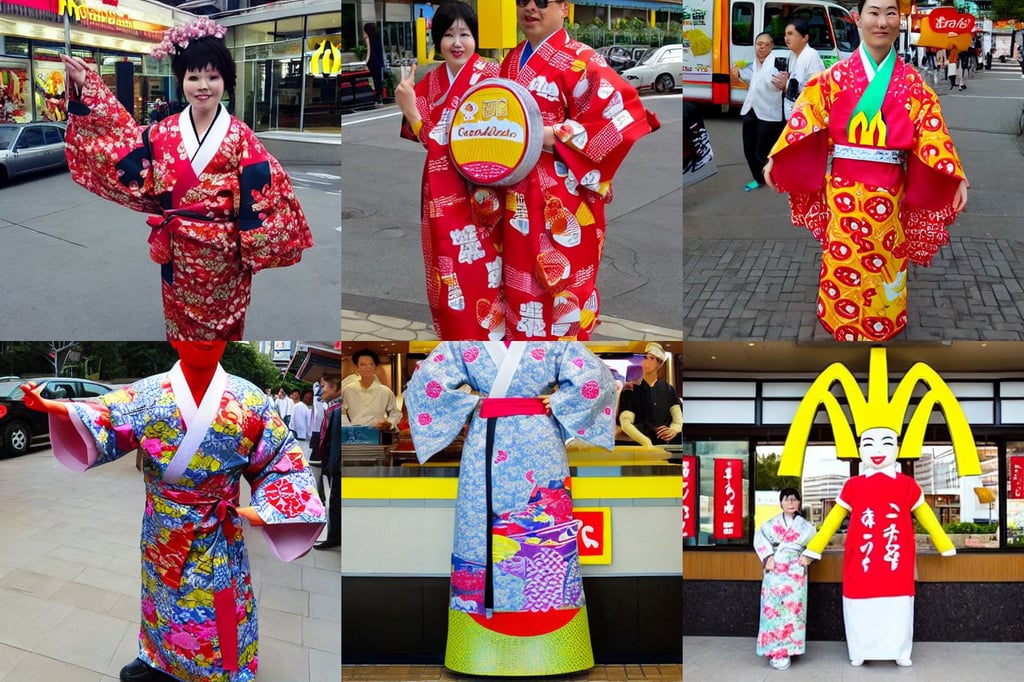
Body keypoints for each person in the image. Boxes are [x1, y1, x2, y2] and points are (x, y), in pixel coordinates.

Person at [20, 341, 326, 682]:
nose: (204, 338)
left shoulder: (248, 399)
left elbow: (278, 458)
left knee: (216, 604)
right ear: (174, 336)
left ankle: (224, 670)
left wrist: (270, 506)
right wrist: (55, 408)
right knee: (160, 597)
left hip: (216, 530)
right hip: (162, 529)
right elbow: (106, 415)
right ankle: (157, 658)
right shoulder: (150, 393)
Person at [60, 17, 313, 340]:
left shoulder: (240, 136)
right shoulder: (163, 132)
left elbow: (268, 193)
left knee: (223, 328)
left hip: (225, 256)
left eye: (213, 76)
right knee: (179, 322)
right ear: (181, 80)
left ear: (227, 80)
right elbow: (119, 144)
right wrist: (87, 87)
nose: (203, 85)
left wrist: (255, 245)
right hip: (178, 253)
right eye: (194, 76)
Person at [404, 341, 617, 676]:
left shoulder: (548, 335)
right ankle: (476, 647)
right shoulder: (472, 338)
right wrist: (471, 402)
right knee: (479, 535)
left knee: (545, 528)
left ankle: (557, 647)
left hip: (533, 442)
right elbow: (425, 383)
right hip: (494, 440)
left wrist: (559, 401)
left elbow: (597, 377)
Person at [764, 0, 969, 342]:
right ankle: (839, 317)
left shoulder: (913, 84)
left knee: (886, 260)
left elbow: (931, 130)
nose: (882, 21)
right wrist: (779, 157)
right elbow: (807, 117)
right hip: (843, 193)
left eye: (891, 13)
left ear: (900, 20)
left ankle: (884, 321)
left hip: (891, 195)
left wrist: (953, 174)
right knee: (844, 259)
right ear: (859, 18)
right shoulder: (833, 79)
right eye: (874, 12)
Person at [498, 0, 659, 340]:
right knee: (517, 284)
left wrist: (547, 136)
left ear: (565, 7)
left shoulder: (583, 59)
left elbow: (622, 114)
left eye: (542, 1)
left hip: (562, 192)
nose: (530, 7)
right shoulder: (511, 60)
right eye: (521, 1)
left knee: (565, 288)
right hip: (512, 192)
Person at [396, 1, 504, 339]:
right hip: (441, 192)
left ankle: (492, 335)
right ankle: (455, 336)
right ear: (437, 41)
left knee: (490, 267)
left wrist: (413, 111)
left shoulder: (494, 74)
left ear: (476, 38)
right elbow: (427, 140)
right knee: (447, 267)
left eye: (465, 34)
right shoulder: (430, 82)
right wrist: (411, 107)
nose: (457, 43)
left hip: (487, 190)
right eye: (448, 35)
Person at [753, 488, 815, 671]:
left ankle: (789, 648)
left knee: (793, 611)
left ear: (798, 503)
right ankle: (773, 649)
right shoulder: (769, 524)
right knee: (772, 610)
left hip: (795, 572)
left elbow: (815, 543)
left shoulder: (806, 527)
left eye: (795, 500)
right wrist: (767, 557)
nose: (791, 503)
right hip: (775, 569)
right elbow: (760, 539)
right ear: (780, 502)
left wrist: (808, 556)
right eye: (787, 500)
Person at [732, 32, 784, 192]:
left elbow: (774, 82)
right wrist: (738, 72)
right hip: (751, 110)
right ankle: (758, 178)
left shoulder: (776, 63)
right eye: (759, 44)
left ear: (771, 46)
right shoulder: (755, 63)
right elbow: (752, 77)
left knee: (763, 151)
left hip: (768, 114)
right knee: (749, 149)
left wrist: (778, 83)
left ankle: (775, 177)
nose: (761, 47)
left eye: (765, 44)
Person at [618, 342, 682, 447]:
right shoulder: (631, 388)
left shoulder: (668, 389)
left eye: (651, 358)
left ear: (659, 363)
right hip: (637, 444)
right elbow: (625, 422)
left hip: (663, 445)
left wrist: (673, 430)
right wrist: (646, 442)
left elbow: (678, 419)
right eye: (645, 358)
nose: (646, 361)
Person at [772, 19, 825, 120]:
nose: (786, 38)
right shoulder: (792, 55)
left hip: (807, 116)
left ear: (805, 37)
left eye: (790, 34)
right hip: (792, 113)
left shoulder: (811, 55)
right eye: (785, 34)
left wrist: (786, 84)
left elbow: (815, 88)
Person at [341, 348, 401, 433]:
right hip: (354, 436)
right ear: (356, 368)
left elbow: (395, 413)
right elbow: (341, 413)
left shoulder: (385, 391)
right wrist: (348, 428)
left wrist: (389, 424)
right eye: (363, 364)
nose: (367, 368)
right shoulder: (348, 390)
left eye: (371, 364)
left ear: (375, 367)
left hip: (377, 434)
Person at [314, 374, 342, 550]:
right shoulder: (334, 408)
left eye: (324, 386)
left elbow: (332, 442)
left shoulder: (337, 410)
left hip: (337, 464)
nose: (321, 390)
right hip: (337, 463)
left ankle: (334, 536)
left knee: (336, 502)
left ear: (336, 388)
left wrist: (331, 465)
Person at [363, 22, 386, 104]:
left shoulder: (368, 38)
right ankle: (379, 97)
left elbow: (369, 51)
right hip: (379, 61)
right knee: (378, 80)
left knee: (372, 80)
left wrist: (365, 63)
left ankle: (376, 97)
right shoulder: (377, 37)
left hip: (372, 61)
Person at [290, 388, 312, 457]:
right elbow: (299, 425)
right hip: (300, 438)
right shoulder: (299, 407)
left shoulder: (306, 407)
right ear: (303, 397)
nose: (309, 399)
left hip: (303, 438)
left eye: (311, 398)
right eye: (307, 397)